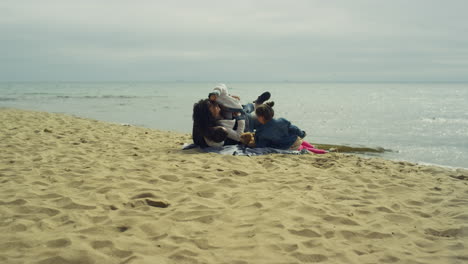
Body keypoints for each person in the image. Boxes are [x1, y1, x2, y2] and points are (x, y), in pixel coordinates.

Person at [254, 104, 327, 154]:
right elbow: (294, 129)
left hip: (285, 147)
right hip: (293, 141)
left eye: (257, 116)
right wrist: (302, 133)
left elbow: (261, 146)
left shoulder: (261, 131)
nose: (257, 118)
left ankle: (322, 152)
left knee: (303, 149)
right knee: (299, 140)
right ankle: (317, 148)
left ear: (261, 117)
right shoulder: (282, 120)